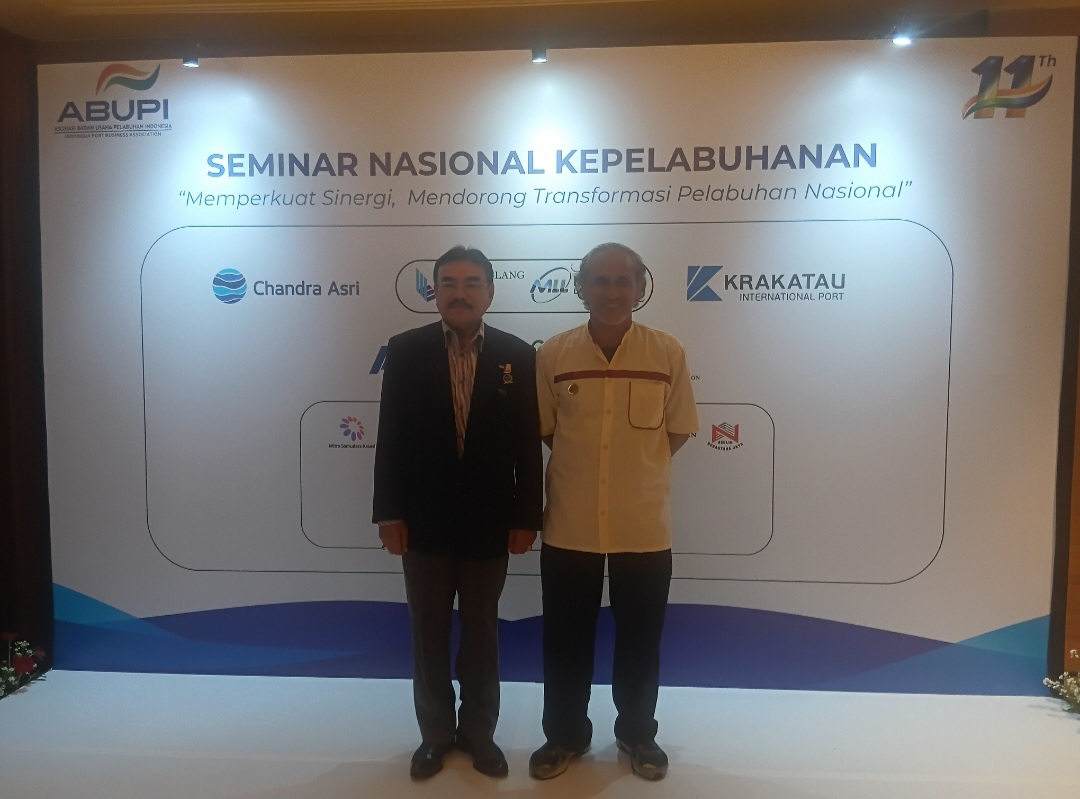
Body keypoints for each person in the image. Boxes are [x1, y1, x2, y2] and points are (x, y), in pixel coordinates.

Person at [529, 242, 699, 782]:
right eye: (600, 281)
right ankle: (565, 735)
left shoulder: (666, 352)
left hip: (642, 525)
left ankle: (637, 733)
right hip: (570, 523)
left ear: (640, 287)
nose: (611, 292)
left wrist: (635, 470)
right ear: (581, 287)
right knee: (565, 640)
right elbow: (548, 430)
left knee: (641, 641)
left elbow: (677, 430)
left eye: (623, 281)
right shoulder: (554, 354)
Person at [372, 245, 542, 780]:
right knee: (428, 633)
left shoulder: (517, 355)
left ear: (489, 292)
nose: (460, 293)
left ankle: (479, 734)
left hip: (490, 523)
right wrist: (388, 513)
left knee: (481, 634)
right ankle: (435, 736)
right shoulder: (405, 350)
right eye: (448, 283)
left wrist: (527, 516)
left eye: (471, 283)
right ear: (435, 292)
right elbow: (389, 438)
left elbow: (527, 445)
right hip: (422, 522)